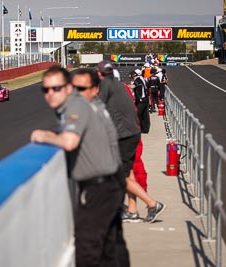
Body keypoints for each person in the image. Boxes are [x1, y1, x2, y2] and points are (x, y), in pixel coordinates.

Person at [31, 65, 129, 267]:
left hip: (99, 188)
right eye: (45, 89)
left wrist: (43, 135)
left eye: (56, 88)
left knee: (87, 248)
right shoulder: (85, 105)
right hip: (109, 183)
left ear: (68, 88)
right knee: (110, 248)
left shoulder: (75, 106)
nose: (50, 94)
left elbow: (69, 142)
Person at [97, 61, 165, 223]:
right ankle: (132, 211)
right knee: (129, 173)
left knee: (121, 175)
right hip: (132, 133)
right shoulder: (119, 85)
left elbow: (96, 108)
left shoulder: (106, 84)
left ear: (100, 74)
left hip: (125, 136)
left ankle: (152, 203)